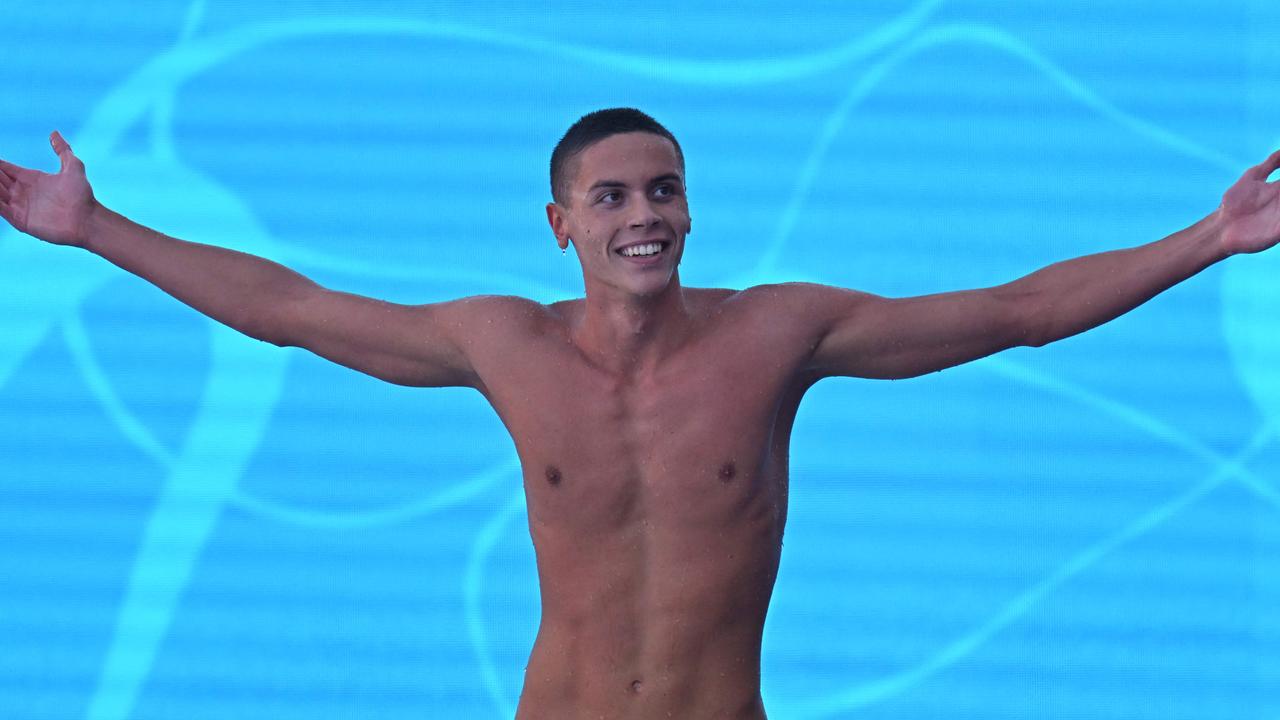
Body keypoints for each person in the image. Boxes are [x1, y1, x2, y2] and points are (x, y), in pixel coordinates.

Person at [1, 107, 1277, 719]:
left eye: (661, 190)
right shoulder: (501, 343)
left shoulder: (779, 334)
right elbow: (287, 305)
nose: (642, 214)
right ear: (560, 226)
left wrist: (1210, 239)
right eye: (607, 197)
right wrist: (98, 227)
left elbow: (1013, 310)